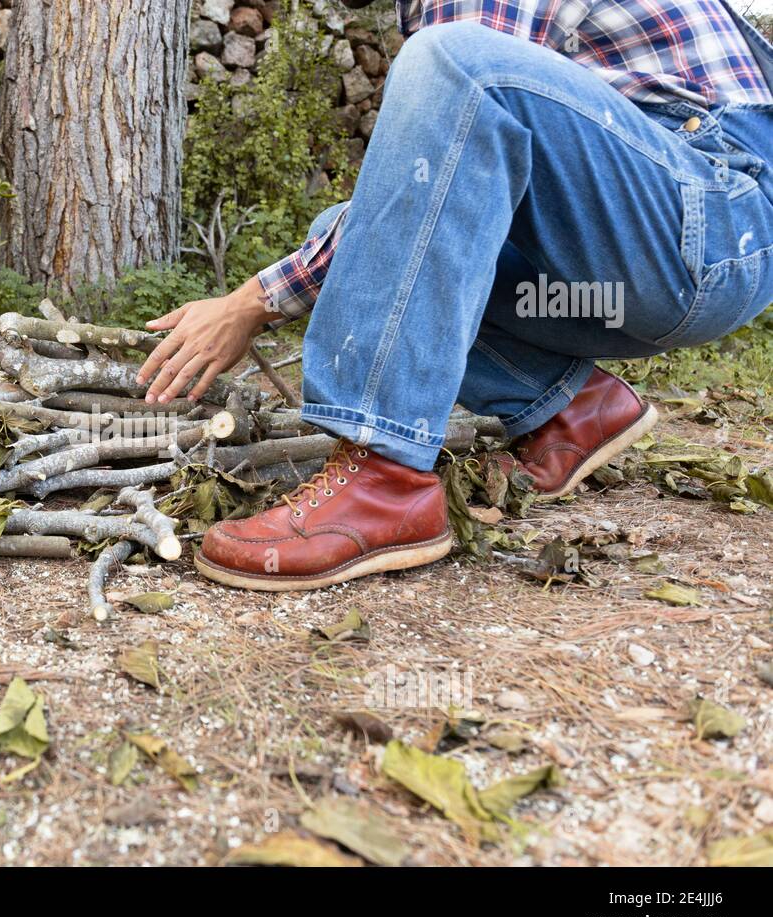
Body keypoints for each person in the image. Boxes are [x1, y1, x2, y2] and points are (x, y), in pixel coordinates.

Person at [136, 0, 773, 591]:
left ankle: (384, 480)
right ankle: (571, 406)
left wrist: (252, 301)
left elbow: (466, 100)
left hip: (711, 224)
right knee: (350, 236)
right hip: (621, 276)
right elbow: (415, 214)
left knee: (456, 62)